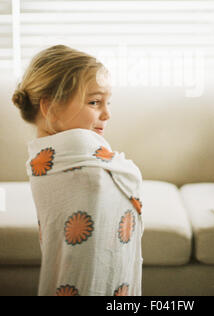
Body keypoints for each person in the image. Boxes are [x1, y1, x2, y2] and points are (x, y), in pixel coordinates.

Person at [12, 45, 143, 296]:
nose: (107, 113)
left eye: (107, 102)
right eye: (95, 102)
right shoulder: (75, 148)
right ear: (50, 108)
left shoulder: (46, 156)